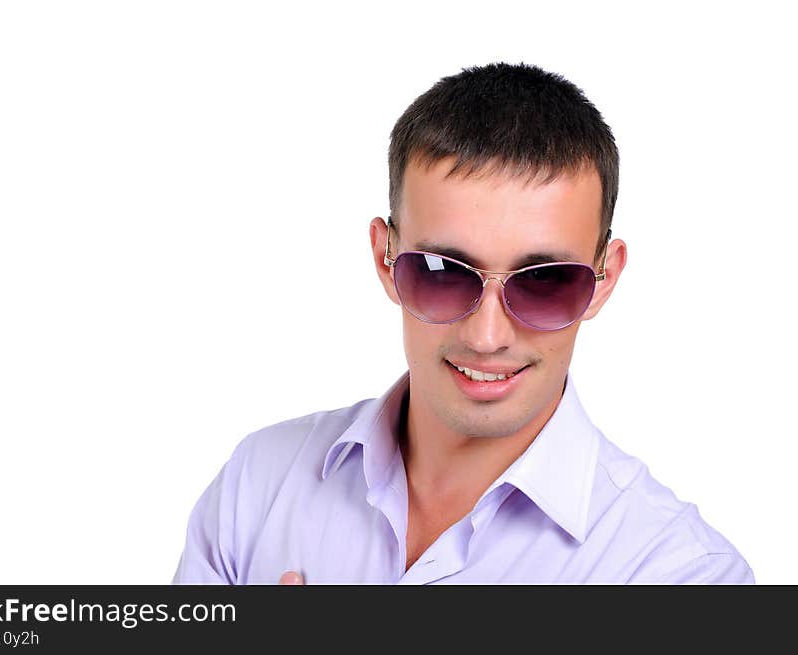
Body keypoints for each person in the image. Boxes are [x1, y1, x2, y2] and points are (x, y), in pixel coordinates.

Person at [172, 62, 754, 584]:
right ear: (385, 260)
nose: (487, 336)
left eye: (545, 281)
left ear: (603, 279)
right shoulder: (258, 487)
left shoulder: (680, 574)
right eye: (443, 272)